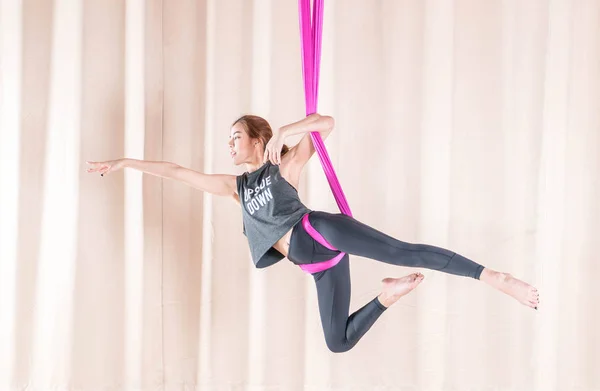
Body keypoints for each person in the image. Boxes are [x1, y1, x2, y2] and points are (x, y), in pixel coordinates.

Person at [86, 113, 540, 353]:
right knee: (337, 342)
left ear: (257, 139)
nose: (229, 144)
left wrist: (288, 129)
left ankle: (493, 277)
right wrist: (124, 163)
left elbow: (327, 124)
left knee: (403, 251)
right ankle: (387, 296)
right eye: (228, 139)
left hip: (319, 232)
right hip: (321, 267)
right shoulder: (235, 189)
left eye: (235, 136)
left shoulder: (283, 165)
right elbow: (178, 172)